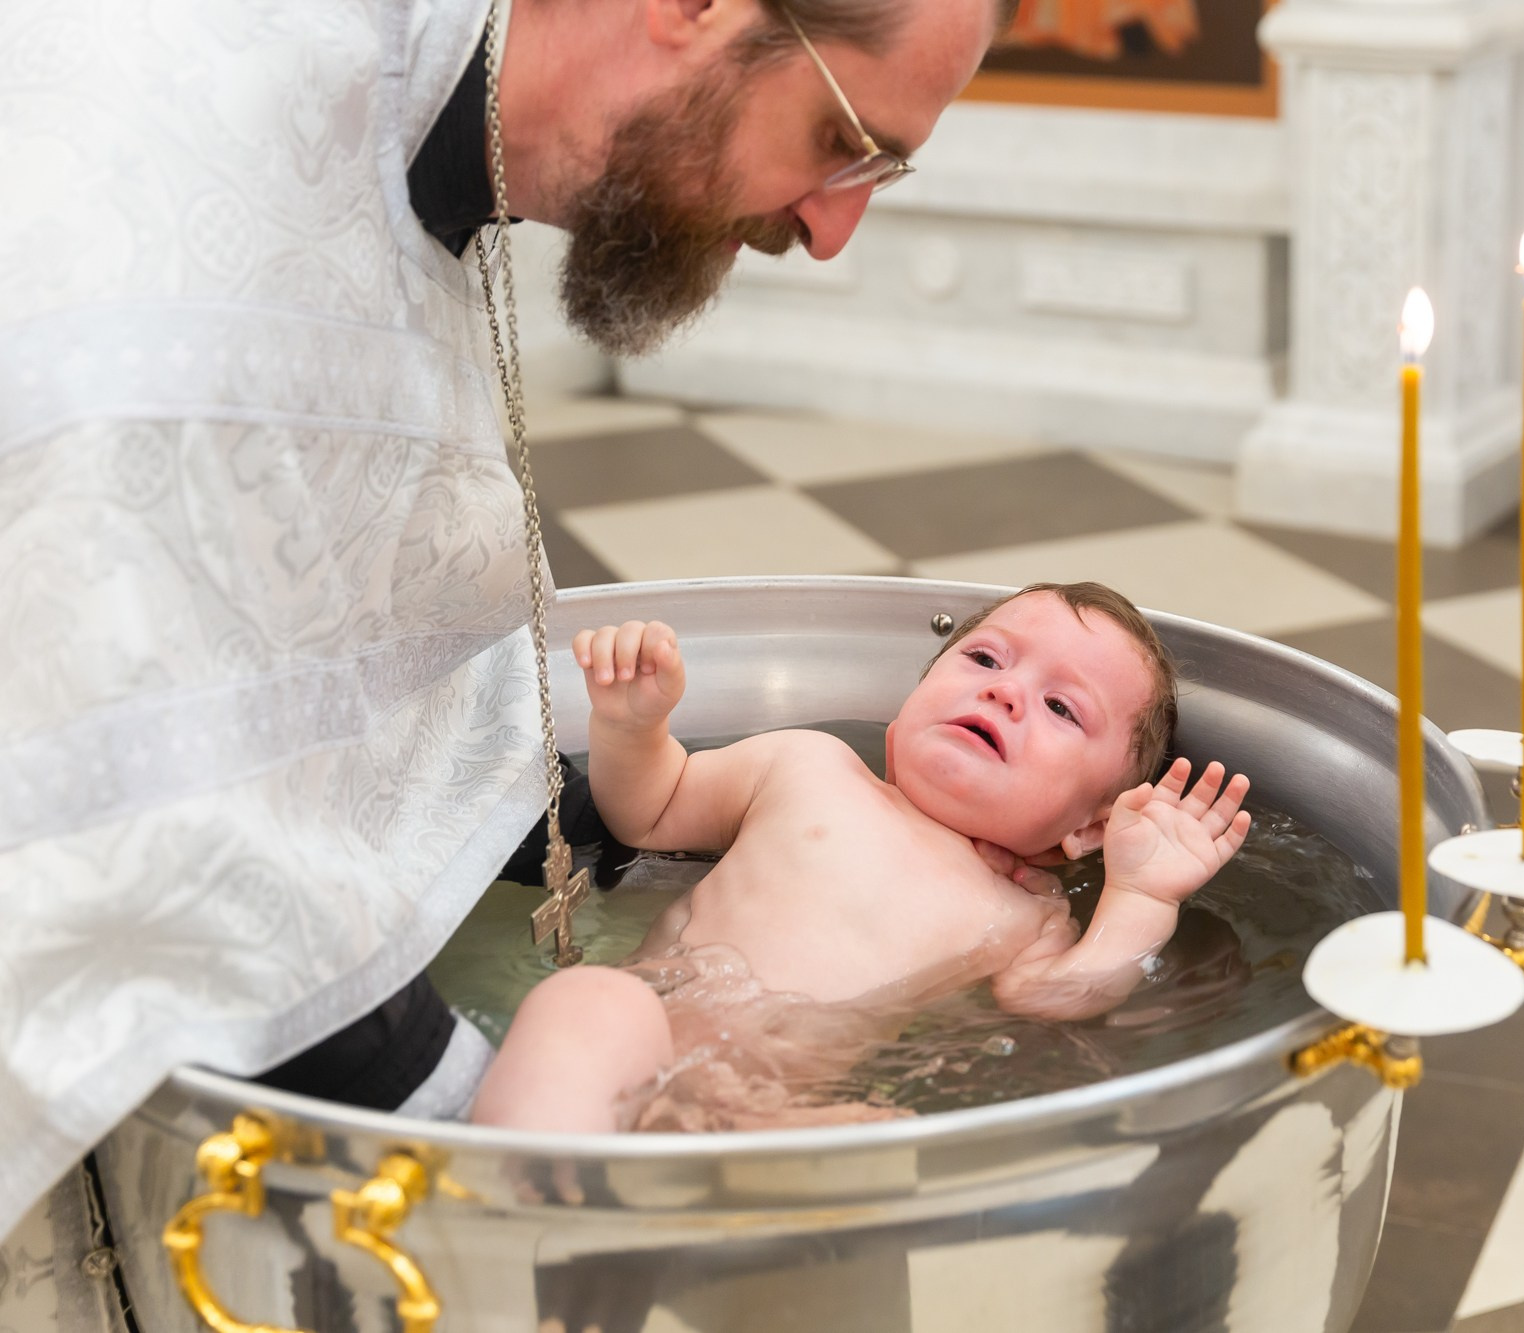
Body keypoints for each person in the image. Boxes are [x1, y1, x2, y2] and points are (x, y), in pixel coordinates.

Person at [0, 0, 1014, 1233]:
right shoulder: (145, 197)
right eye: (841, 139)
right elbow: (137, 811)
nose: (834, 227)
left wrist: (576, 813)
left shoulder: (415, 103)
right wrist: (536, 1200)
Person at [471, 583, 1253, 1132]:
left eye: (1060, 707)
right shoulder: (806, 766)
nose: (1006, 693)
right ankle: (521, 1239)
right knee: (588, 1006)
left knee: (887, 1135)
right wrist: (631, 727)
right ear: (903, 709)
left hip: (769, 1101)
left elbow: (1058, 998)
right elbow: (650, 808)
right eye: (985, 660)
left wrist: (1141, 896)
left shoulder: (1028, 913)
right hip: (641, 1030)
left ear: (1092, 826)